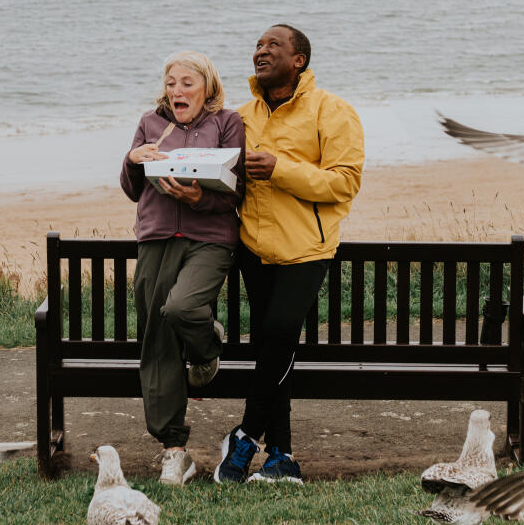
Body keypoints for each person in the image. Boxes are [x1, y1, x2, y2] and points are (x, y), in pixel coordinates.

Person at [215, 24, 364, 484]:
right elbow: (226, 186)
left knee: (278, 334)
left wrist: (281, 169)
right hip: (254, 250)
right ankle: (282, 455)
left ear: (298, 60)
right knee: (272, 348)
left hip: (306, 250)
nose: (260, 51)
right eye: (257, 46)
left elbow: (344, 182)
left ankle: (245, 436)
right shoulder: (238, 117)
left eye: (272, 46)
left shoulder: (332, 110)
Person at [121, 51, 245, 486]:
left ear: (207, 86)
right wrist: (133, 160)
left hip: (210, 240)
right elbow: (131, 189)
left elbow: (236, 191)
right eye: (171, 82)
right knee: (157, 340)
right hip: (156, 238)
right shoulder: (150, 122)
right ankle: (175, 451)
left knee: (181, 309)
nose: (177, 90)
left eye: (187, 82)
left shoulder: (227, 123)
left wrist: (199, 200)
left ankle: (207, 346)